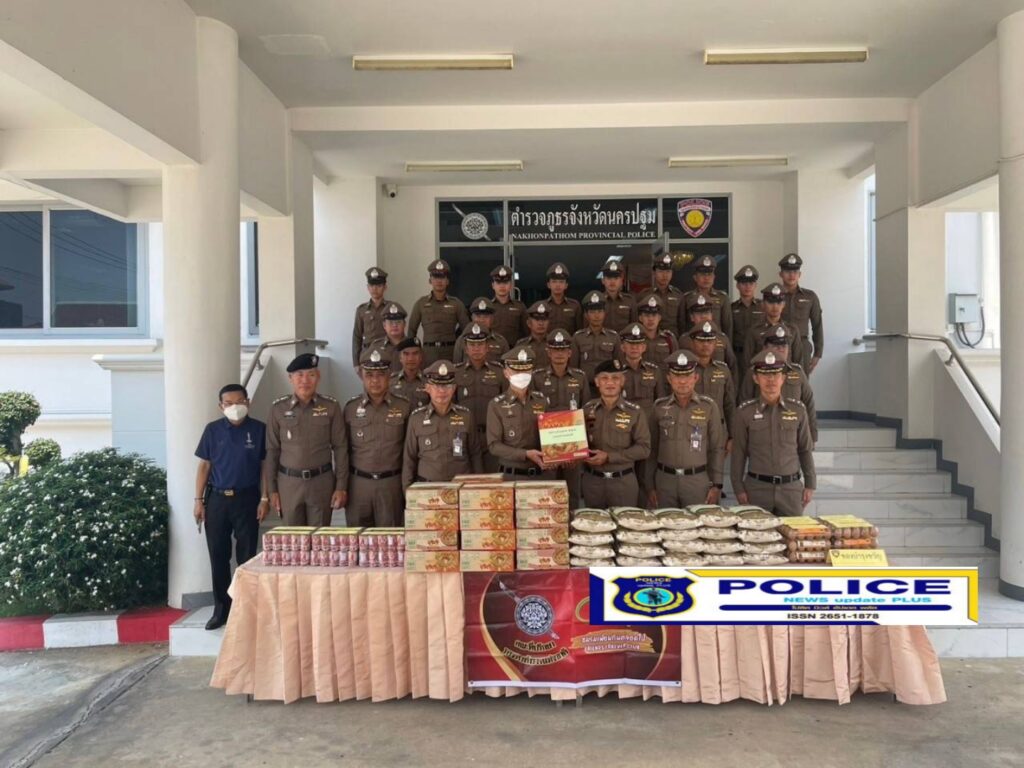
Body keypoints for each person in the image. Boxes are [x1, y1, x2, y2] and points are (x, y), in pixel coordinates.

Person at [193, 383, 268, 630]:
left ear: (248, 402)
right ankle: (221, 610)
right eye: (229, 403)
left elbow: (265, 467)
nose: (235, 407)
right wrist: (198, 501)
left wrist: (265, 498)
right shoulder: (212, 430)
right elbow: (204, 466)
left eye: (239, 402)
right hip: (217, 500)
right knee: (218, 556)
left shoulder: (259, 430)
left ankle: (246, 609)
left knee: (247, 557)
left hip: (247, 499)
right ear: (221, 406)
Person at [731, 349, 816, 517]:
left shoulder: (798, 410)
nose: (771, 380)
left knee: (792, 533)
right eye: (764, 374)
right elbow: (738, 453)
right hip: (757, 490)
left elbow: (805, 449)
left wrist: (810, 483)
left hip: (790, 490)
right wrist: (738, 488)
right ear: (756, 378)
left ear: (783, 378)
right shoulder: (745, 413)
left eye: (775, 374)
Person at [265, 353, 347, 527]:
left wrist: (341, 486)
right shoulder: (278, 409)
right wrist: (272, 490)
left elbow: (340, 448)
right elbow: (272, 451)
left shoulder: (331, 407)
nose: (305, 380)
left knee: (319, 539)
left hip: (321, 483)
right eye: (299, 375)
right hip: (289, 484)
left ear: (318, 377)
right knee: (293, 539)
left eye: (311, 374)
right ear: (290, 378)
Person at [646, 351, 726, 508]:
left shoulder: (709, 407)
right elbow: (652, 449)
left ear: (696, 378)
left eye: (687, 376)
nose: (682, 381)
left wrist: (717, 484)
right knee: (666, 522)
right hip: (665, 481)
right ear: (669, 379)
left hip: (697, 481)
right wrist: (649, 485)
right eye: (677, 376)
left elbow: (717, 448)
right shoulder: (659, 407)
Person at [341, 349, 411, 527]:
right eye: (369, 375)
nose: (375, 380)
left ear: (390, 375)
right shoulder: (350, 408)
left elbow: (409, 453)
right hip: (358, 486)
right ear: (361, 376)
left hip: (391, 485)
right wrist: (341, 486)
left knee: (390, 539)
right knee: (358, 539)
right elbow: (343, 451)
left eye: (380, 375)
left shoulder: (404, 407)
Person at [580, 359, 652, 508]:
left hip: (623, 482)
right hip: (593, 482)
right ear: (597, 382)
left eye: (615, 378)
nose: (610, 382)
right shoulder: (586, 410)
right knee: (593, 523)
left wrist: (609, 457)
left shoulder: (635, 412)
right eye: (604, 378)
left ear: (622, 381)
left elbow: (644, 449)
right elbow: (575, 443)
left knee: (625, 522)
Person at [533, 328, 590, 508]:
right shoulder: (537, 377)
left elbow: (586, 411)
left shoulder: (580, 377)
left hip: (573, 445)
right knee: (548, 493)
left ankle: (572, 523)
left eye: (563, 350)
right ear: (548, 352)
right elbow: (533, 412)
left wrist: (580, 448)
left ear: (570, 353)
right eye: (555, 350)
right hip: (546, 445)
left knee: (572, 492)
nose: (559, 354)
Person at [402, 360, 483, 487]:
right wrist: (407, 490)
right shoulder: (417, 418)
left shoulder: (466, 416)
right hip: (428, 488)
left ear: (454, 388)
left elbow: (475, 454)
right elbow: (409, 459)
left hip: (460, 487)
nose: (442, 391)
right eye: (436, 386)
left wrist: (478, 486)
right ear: (428, 388)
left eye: (447, 386)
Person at [739, 325, 818, 442]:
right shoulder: (753, 372)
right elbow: (744, 403)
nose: (780, 349)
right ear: (765, 347)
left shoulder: (797, 372)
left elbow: (808, 402)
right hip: (761, 434)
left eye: (784, 345)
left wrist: (812, 434)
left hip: (792, 434)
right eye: (775, 345)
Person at [487, 346, 552, 480]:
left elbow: (552, 436)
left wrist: (560, 454)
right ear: (506, 373)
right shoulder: (496, 405)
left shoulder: (542, 401)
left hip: (539, 475)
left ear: (531, 372)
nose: (521, 375)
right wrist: (525, 454)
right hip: (511, 476)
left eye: (525, 370)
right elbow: (494, 446)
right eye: (516, 371)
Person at [619, 322, 667, 504]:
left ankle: (643, 510)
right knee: (625, 472)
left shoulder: (654, 371)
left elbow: (661, 402)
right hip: (622, 428)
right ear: (623, 347)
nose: (634, 348)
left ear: (644, 347)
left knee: (646, 473)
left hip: (647, 429)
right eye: (630, 344)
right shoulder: (615, 371)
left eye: (638, 344)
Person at [455, 324, 506, 472]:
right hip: (464, 436)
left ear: (487, 347)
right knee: (465, 480)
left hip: (492, 436)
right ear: (466, 349)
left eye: (480, 344)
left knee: (493, 479)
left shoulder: (500, 372)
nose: (476, 348)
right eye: (472, 345)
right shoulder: (456, 373)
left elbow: (506, 404)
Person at [407, 259, 471, 364]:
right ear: (430, 280)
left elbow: (467, 331)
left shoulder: (456, 304)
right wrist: (415, 354)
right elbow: (411, 331)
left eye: (442, 277)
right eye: (436, 277)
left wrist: (462, 352)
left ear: (447, 281)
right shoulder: (421, 303)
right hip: (428, 353)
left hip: (451, 352)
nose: (439, 281)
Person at [688, 321, 735, 446]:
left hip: (718, 429)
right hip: (691, 428)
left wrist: (732, 435)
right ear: (692, 343)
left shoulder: (723, 370)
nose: (705, 345)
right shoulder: (686, 370)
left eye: (709, 341)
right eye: (701, 341)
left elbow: (729, 405)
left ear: (715, 344)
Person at [742, 283, 807, 371]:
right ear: (763, 304)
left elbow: (798, 363)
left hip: (786, 376)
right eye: (771, 302)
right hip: (762, 376)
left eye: (779, 302)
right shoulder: (754, 331)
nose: (775, 306)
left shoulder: (792, 330)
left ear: (784, 304)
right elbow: (747, 363)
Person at [778, 253, 824, 374]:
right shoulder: (774, 296)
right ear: (781, 274)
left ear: (800, 274)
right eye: (787, 271)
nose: (791, 275)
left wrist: (818, 353)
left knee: (801, 381)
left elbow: (817, 325)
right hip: (779, 344)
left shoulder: (810, 297)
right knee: (779, 380)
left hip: (802, 345)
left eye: (795, 271)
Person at [678, 294, 738, 380]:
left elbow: (732, 366)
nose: (703, 316)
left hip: (718, 383)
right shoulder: (684, 340)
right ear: (692, 317)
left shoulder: (722, 338)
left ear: (712, 315)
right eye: (699, 313)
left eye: (706, 312)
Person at [571, 290, 623, 384]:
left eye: (600, 311)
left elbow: (619, 366)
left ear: (605, 313)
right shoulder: (577, 337)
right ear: (586, 315)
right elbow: (573, 368)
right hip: (585, 385)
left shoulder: (614, 337)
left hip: (608, 386)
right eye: (592, 312)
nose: (596, 315)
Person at [681, 254, 733, 344]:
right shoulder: (687, 298)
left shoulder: (722, 298)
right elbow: (682, 325)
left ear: (714, 277)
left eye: (709, 274)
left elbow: (727, 326)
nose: (706, 278)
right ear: (695, 277)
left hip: (716, 343)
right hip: (693, 343)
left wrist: (726, 345)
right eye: (702, 274)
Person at [730, 264, 764, 385]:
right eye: (744, 283)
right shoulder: (731, 308)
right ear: (737, 286)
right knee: (739, 387)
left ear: (755, 285)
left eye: (751, 283)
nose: (747, 287)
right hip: (738, 355)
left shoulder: (763, 306)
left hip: (758, 354)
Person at [638, 252, 685, 337]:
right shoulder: (644, 295)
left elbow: (682, 323)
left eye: (668, 271)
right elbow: (638, 321)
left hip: (672, 339)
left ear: (672, 273)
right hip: (650, 339)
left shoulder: (678, 295)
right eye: (661, 271)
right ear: (654, 273)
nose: (665, 275)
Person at [351, 267, 390, 368]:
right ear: (368, 287)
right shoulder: (361, 309)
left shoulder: (390, 308)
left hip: (387, 354)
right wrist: (356, 363)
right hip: (366, 355)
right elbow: (357, 336)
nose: (374, 289)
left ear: (385, 287)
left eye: (378, 285)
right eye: (372, 285)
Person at [453, 297, 508, 363]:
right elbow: (457, 366)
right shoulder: (462, 340)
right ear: (472, 318)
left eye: (486, 316)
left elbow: (506, 366)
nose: (482, 320)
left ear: (492, 318)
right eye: (478, 316)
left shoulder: (501, 341)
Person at [489, 264, 527, 347]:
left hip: (514, 350)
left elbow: (527, 332)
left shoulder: (519, 307)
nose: (502, 286)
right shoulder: (488, 307)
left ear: (511, 285)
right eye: (498, 283)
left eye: (505, 282)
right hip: (493, 350)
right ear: (493, 286)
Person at [636, 294, 676, 367]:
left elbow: (675, 364)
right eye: (647, 315)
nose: (650, 319)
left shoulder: (669, 339)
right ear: (640, 318)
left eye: (654, 315)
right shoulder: (635, 339)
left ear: (659, 318)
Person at [369, 302, 409, 373]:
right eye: (391, 322)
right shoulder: (376, 346)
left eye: (398, 322)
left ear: (404, 324)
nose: (394, 325)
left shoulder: (412, 346)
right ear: (384, 325)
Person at [389, 337, 430, 408]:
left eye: (415, 353)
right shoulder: (390, 381)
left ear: (421, 357)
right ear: (400, 358)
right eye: (406, 354)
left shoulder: (429, 382)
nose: (411, 358)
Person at [599, 258, 637, 333]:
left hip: (624, 339)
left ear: (621, 281)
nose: (612, 281)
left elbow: (634, 326)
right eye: (609, 278)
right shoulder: (598, 301)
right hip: (603, 339)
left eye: (616, 278)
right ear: (603, 280)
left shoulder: (630, 301)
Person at [544, 262, 583, 333]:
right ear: (548, 285)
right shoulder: (543, 306)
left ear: (566, 285)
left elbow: (580, 331)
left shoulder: (575, 305)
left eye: (561, 282)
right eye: (554, 281)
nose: (558, 285)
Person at [515, 301, 552, 370]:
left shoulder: (554, 344)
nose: (541, 323)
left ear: (549, 322)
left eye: (544, 319)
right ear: (529, 323)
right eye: (537, 319)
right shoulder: (521, 345)